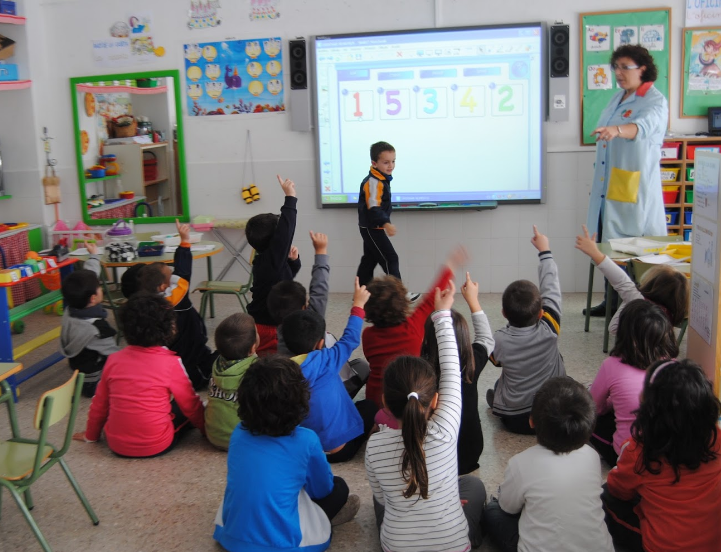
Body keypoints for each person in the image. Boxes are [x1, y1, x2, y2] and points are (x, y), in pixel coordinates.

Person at [365, 282, 487, 552]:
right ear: (435, 400)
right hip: (453, 545)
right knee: (473, 486)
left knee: (378, 501)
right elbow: (452, 370)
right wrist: (442, 313)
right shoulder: (445, 431)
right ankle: (473, 536)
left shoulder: (373, 446)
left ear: (385, 402)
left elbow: (383, 500)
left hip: (396, 546)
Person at [213, 356, 360, 552]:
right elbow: (322, 491)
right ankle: (327, 520)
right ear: (300, 400)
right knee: (339, 487)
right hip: (287, 543)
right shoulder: (306, 440)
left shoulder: (239, 433)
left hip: (231, 537)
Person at [602, 359, 721, 552]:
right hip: (712, 544)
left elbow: (618, 490)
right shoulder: (717, 438)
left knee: (604, 495)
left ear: (652, 409)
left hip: (662, 546)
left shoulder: (640, 450)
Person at [586, 44, 669, 317]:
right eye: (616, 67)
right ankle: (610, 301)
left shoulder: (655, 101)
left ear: (642, 69)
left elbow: (641, 128)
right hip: (608, 186)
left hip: (633, 190)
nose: (619, 73)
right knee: (606, 244)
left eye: (625, 67)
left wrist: (617, 130)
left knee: (630, 250)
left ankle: (630, 307)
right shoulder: (618, 97)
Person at [484, 377, 613, 552]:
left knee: (493, 511)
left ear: (531, 422)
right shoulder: (592, 456)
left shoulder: (520, 463)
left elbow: (508, 508)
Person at [73, 293, 205, 458]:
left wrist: (90, 436)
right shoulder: (171, 363)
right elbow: (191, 405)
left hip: (115, 445)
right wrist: (207, 432)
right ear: (168, 328)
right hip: (157, 445)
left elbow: (100, 404)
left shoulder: (113, 360)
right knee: (184, 409)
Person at [282, 278, 377, 463]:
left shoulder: (282, 372)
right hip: (340, 450)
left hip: (305, 451)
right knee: (370, 406)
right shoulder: (327, 359)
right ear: (320, 343)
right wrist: (358, 304)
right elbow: (350, 338)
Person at [362, 246, 466, 407]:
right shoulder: (413, 326)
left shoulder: (368, 336)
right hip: (409, 395)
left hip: (376, 399)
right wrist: (451, 265)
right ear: (403, 303)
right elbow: (432, 298)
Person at [270, 230, 370, 398]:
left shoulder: (280, 360)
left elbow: (318, 290)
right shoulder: (329, 358)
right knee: (362, 367)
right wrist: (321, 251)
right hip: (330, 391)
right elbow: (320, 288)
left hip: (296, 401)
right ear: (304, 308)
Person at [486, 226, 565, 434]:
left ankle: (495, 400)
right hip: (551, 414)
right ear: (541, 313)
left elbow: (495, 360)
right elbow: (552, 290)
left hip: (515, 420)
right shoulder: (550, 327)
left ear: (503, 313)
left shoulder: (499, 340)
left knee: (500, 383)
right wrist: (544, 252)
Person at [419, 271, 493, 475]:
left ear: (427, 340)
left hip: (434, 457)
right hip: (470, 452)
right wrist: (473, 301)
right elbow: (486, 340)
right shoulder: (472, 363)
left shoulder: (420, 369)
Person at [589, 299, 678, 466]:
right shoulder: (675, 366)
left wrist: (613, 402)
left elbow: (595, 408)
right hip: (668, 455)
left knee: (586, 416)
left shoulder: (611, 365)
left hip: (626, 456)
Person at [139, 219, 215, 389]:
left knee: (182, 360)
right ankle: (198, 382)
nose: (173, 275)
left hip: (171, 343)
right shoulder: (175, 296)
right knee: (196, 360)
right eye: (169, 274)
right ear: (162, 286)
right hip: (190, 337)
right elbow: (183, 271)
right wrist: (184, 242)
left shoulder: (148, 301)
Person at [576, 224, 689, 334]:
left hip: (628, 351)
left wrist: (628, 298)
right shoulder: (669, 319)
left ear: (651, 283)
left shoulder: (638, 300)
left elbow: (613, 328)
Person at [356, 141, 419, 301]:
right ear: (374, 163)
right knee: (390, 258)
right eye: (386, 162)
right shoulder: (374, 182)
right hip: (372, 228)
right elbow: (373, 206)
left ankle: (361, 295)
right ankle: (400, 295)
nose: (391, 165)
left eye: (393, 161)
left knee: (369, 261)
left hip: (371, 227)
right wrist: (385, 223)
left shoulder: (381, 178)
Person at [245, 174, 300, 354]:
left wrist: (293, 262)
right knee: (272, 365)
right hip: (268, 328)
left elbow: (287, 277)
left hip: (269, 322)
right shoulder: (270, 261)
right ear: (274, 242)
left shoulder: (271, 262)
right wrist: (290, 197)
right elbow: (286, 230)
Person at [60, 241, 120, 397]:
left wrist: (93, 256)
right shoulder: (96, 330)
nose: (101, 287)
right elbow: (116, 357)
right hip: (93, 384)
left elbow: (89, 275)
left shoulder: (70, 310)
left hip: (78, 372)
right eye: (99, 286)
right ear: (93, 298)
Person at [204, 313, 259, 450]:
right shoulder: (256, 369)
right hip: (244, 440)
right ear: (252, 348)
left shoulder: (216, 364)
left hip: (213, 436)